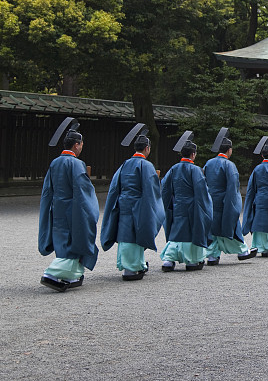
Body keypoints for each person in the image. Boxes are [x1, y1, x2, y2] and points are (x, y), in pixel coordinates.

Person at [39, 118, 100, 292]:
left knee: (62, 241)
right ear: (76, 145)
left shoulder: (55, 163)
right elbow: (83, 192)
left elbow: (47, 190)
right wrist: (90, 210)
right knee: (74, 242)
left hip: (57, 208)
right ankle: (51, 273)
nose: (81, 147)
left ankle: (72, 274)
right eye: (81, 144)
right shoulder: (76, 164)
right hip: (73, 210)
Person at [100, 124, 165, 281]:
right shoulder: (147, 166)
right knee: (137, 234)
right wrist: (155, 210)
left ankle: (131, 265)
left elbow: (115, 187)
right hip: (139, 206)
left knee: (125, 234)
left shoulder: (124, 164)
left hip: (123, 204)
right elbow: (151, 192)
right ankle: (133, 267)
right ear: (147, 148)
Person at [160, 132, 214, 271]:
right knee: (192, 232)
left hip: (177, 205)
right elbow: (202, 193)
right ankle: (192, 260)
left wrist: (166, 206)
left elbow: (165, 189)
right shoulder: (196, 170)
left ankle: (169, 259)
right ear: (193, 154)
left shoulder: (173, 169)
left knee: (176, 231)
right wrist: (205, 209)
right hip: (192, 207)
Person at [204, 128, 257, 265]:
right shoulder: (229, 165)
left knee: (212, 229)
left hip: (210, 200)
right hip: (224, 201)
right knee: (232, 226)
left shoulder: (208, 163)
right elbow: (233, 188)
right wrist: (234, 204)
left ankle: (212, 255)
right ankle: (242, 251)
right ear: (229, 150)